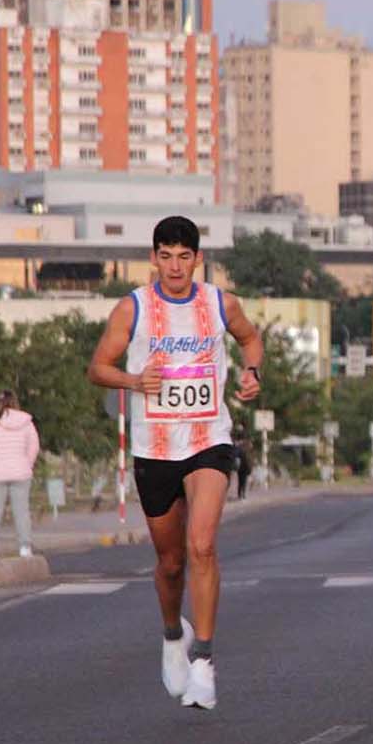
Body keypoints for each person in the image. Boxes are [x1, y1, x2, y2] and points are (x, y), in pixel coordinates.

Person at [87, 215, 263, 712]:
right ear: (153, 258)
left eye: (184, 256)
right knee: (170, 563)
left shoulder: (220, 304)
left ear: (198, 260)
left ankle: (204, 660)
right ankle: (172, 636)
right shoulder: (134, 308)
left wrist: (252, 372)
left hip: (209, 438)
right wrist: (134, 381)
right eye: (165, 255)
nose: (175, 266)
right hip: (155, 446)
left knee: (202, 545)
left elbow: (251, 339)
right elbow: (97, 368)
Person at [0, 389, 40, 558]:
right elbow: (33, 447)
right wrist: (27, 464)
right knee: (22, 511)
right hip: (21, 471)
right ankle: (25, 546)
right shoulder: (27, 422)